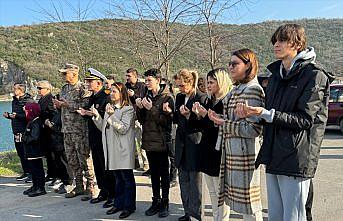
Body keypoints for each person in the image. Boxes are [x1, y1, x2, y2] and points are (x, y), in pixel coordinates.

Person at [237, 24, 333, 221]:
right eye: (275, 41)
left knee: (293, 216)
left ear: (296, 43)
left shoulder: (315, 75)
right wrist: (253, 115)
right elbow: (270, 115)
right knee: (275, 216)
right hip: (273, 155)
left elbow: (305, 119)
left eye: (282, 40)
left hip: (296, 158)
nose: (276, 45)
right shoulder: (276, 76)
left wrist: (266, 113)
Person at [208, 49, 264, 220]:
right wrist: (219, 118)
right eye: (229, 64)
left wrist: (224, 123)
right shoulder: (237, 89)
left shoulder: (253, 90)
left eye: (235, 64)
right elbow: (233, 119)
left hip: (244, 155)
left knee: (251, 207)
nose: (230, 67)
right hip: (233, 154)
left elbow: (254, 129)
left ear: (248, 65)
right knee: (239, 205)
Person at [191, 68, 232, 221]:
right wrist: (198, 114)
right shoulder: (209, 100)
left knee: (220, 193)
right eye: (207, 82)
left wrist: (205, 116)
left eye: (211, 82)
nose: (208, 85)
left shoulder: (227, 101)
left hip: (219, 152)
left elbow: (222, 127)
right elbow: (205, 127)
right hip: (206, 150)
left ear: (221, 81)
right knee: (213, 192)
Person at [92, 82, 136, 219]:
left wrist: (111, 116)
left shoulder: (128, 109)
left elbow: (123, 128)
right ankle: (118, 203)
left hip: (123, 150)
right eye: (110, 91)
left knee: (127, 179)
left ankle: (129, 206)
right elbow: (104, 128)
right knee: (118, 178)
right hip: (112, 149)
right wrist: (97, 117)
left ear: (122, 93)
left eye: (114, 91)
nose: (111, 94)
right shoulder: (109, 108)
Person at [136, 68, 174, 218]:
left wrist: (151, 108)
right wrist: (140, 109)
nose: (147, 83)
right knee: (153, 174)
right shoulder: (146, 96)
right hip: (149, 141)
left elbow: (167, 122)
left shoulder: (167, 98)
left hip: (162, 142)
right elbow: (141, 120)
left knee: (164, 174)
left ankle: (165, 202)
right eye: (145, 81)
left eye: (149, 80)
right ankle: (155, 201)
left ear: (158, 80)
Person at [54, 63, 95, 199]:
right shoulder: (64, 88)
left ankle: (90, 187)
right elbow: (63, 107)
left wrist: (67, 105)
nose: (63, 75)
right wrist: (59, 105)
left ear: (74, 73)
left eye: (65, 73)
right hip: (67, 129)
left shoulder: (83, 88)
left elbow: (85, 106)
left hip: (80, 130)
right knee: (72, 160)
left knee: (84, 158)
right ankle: (78, 186)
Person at [77, 68, 116, 206]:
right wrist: (86, 113)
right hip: (93, 135)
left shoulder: (105, 98)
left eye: (90, 81)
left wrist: (90, 114)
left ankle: (112, 194)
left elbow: (107, 118)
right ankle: (103, 191)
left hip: (103, 136)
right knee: (98, 166)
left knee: (106, 166)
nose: (88, 84)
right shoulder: (93, 97)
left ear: (99, 83)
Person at [174, 69, 206, 221]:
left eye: (182, 85)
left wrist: (189, 116)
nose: (179, 88)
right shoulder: (180, 97)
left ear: (190, 82)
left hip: (195, 144)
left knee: (195, 184)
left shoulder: (201, 97)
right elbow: (176, 118)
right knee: (183, 180)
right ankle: (187, 212)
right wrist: (170, 113)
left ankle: (196, 214)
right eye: (178, 85)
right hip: (181, 144)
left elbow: (203, 125)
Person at [3, 83, 33, 182]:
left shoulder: (27, 101)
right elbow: (16, 115)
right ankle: (26, 172)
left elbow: (29, 116)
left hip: (24, 130)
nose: (13, 90)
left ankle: (31, 174)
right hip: (16, 131)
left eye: (15, 88)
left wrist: (16, 116)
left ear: (21, 90)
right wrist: (9, 116)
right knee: (20, 152)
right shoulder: (14, 101)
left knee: (26, 152)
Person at [44, 96, 72, 194]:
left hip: (62, 143)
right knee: (59, 163)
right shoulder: (56, 114)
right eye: (54, 103)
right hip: (55, 143)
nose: (54, 105)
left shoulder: (63, 115)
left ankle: (69, 183)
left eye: (56, 103)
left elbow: (62, 130)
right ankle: (64, 182)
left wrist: (51, 126)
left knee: (65, 163)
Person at [125, 68, 149, 172]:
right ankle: (134, 162)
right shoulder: (126, 87)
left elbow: (143, 100)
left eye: (129, 76)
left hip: (139, 117)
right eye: (126, 76)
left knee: (141, 140)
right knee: (130, 141)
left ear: (135, 76)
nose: (127, 78)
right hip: (129, 117)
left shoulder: (143, 87)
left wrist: (133, 95)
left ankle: (146, 163)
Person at [37, 80, 58, 185]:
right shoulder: (41, 99)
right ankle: (50, 174)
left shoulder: (50, 99)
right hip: (44, 131)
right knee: (48, 154)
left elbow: (53, 113)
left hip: (50, 131)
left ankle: (56, 175)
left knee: (53, 154)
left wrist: (50, 122)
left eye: (40, 88)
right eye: (38, 88)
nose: (38, 90)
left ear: (47, 89)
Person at [22, 103, 46, 197]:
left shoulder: (36, 122)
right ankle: (35, 186)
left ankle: (40, 188)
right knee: (33, 169)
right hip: (31, 151)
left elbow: (34, 137)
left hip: (35, 151)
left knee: (37, 170)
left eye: (27, 111)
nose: (25, 113)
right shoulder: (32, 121)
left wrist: (24, 139)